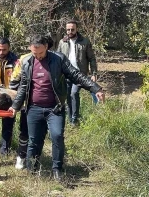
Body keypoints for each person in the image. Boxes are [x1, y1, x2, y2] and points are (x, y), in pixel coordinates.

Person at [8, 34, 105, 181]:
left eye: (40, 53)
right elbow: (23, 86)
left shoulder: (58, 59)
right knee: (34, 140)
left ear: (46, 47)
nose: (38, 56)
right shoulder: (27, 62)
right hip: (33, 108)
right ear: (30, 49)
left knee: (57, 136)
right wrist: (15, 106)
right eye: (35, 53)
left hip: (55, 108)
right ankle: (32, 169)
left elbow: (76, 75)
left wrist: (95, 88)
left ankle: (57, 169)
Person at [9, 34, 54, 170]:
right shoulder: (24, 60)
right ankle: (21, 157)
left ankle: (35, 160)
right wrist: (17, 101)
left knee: (39, 134)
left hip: (44, 104)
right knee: (24, 131)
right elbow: (14, 80)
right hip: (25, 101)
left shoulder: (53, 60)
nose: (39, 55)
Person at [57, 20, 98, 126]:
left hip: (79, 74)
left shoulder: (84, 41)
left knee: (74, 94)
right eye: (68, 29)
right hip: (66, 74)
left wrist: (94, 73)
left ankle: (75, 119)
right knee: (68, 96)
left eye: (72, 29)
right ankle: (70, 119)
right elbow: (57, 58)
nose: (70, 31)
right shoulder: (62, 42)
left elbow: (92, 58)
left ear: (77, 29)